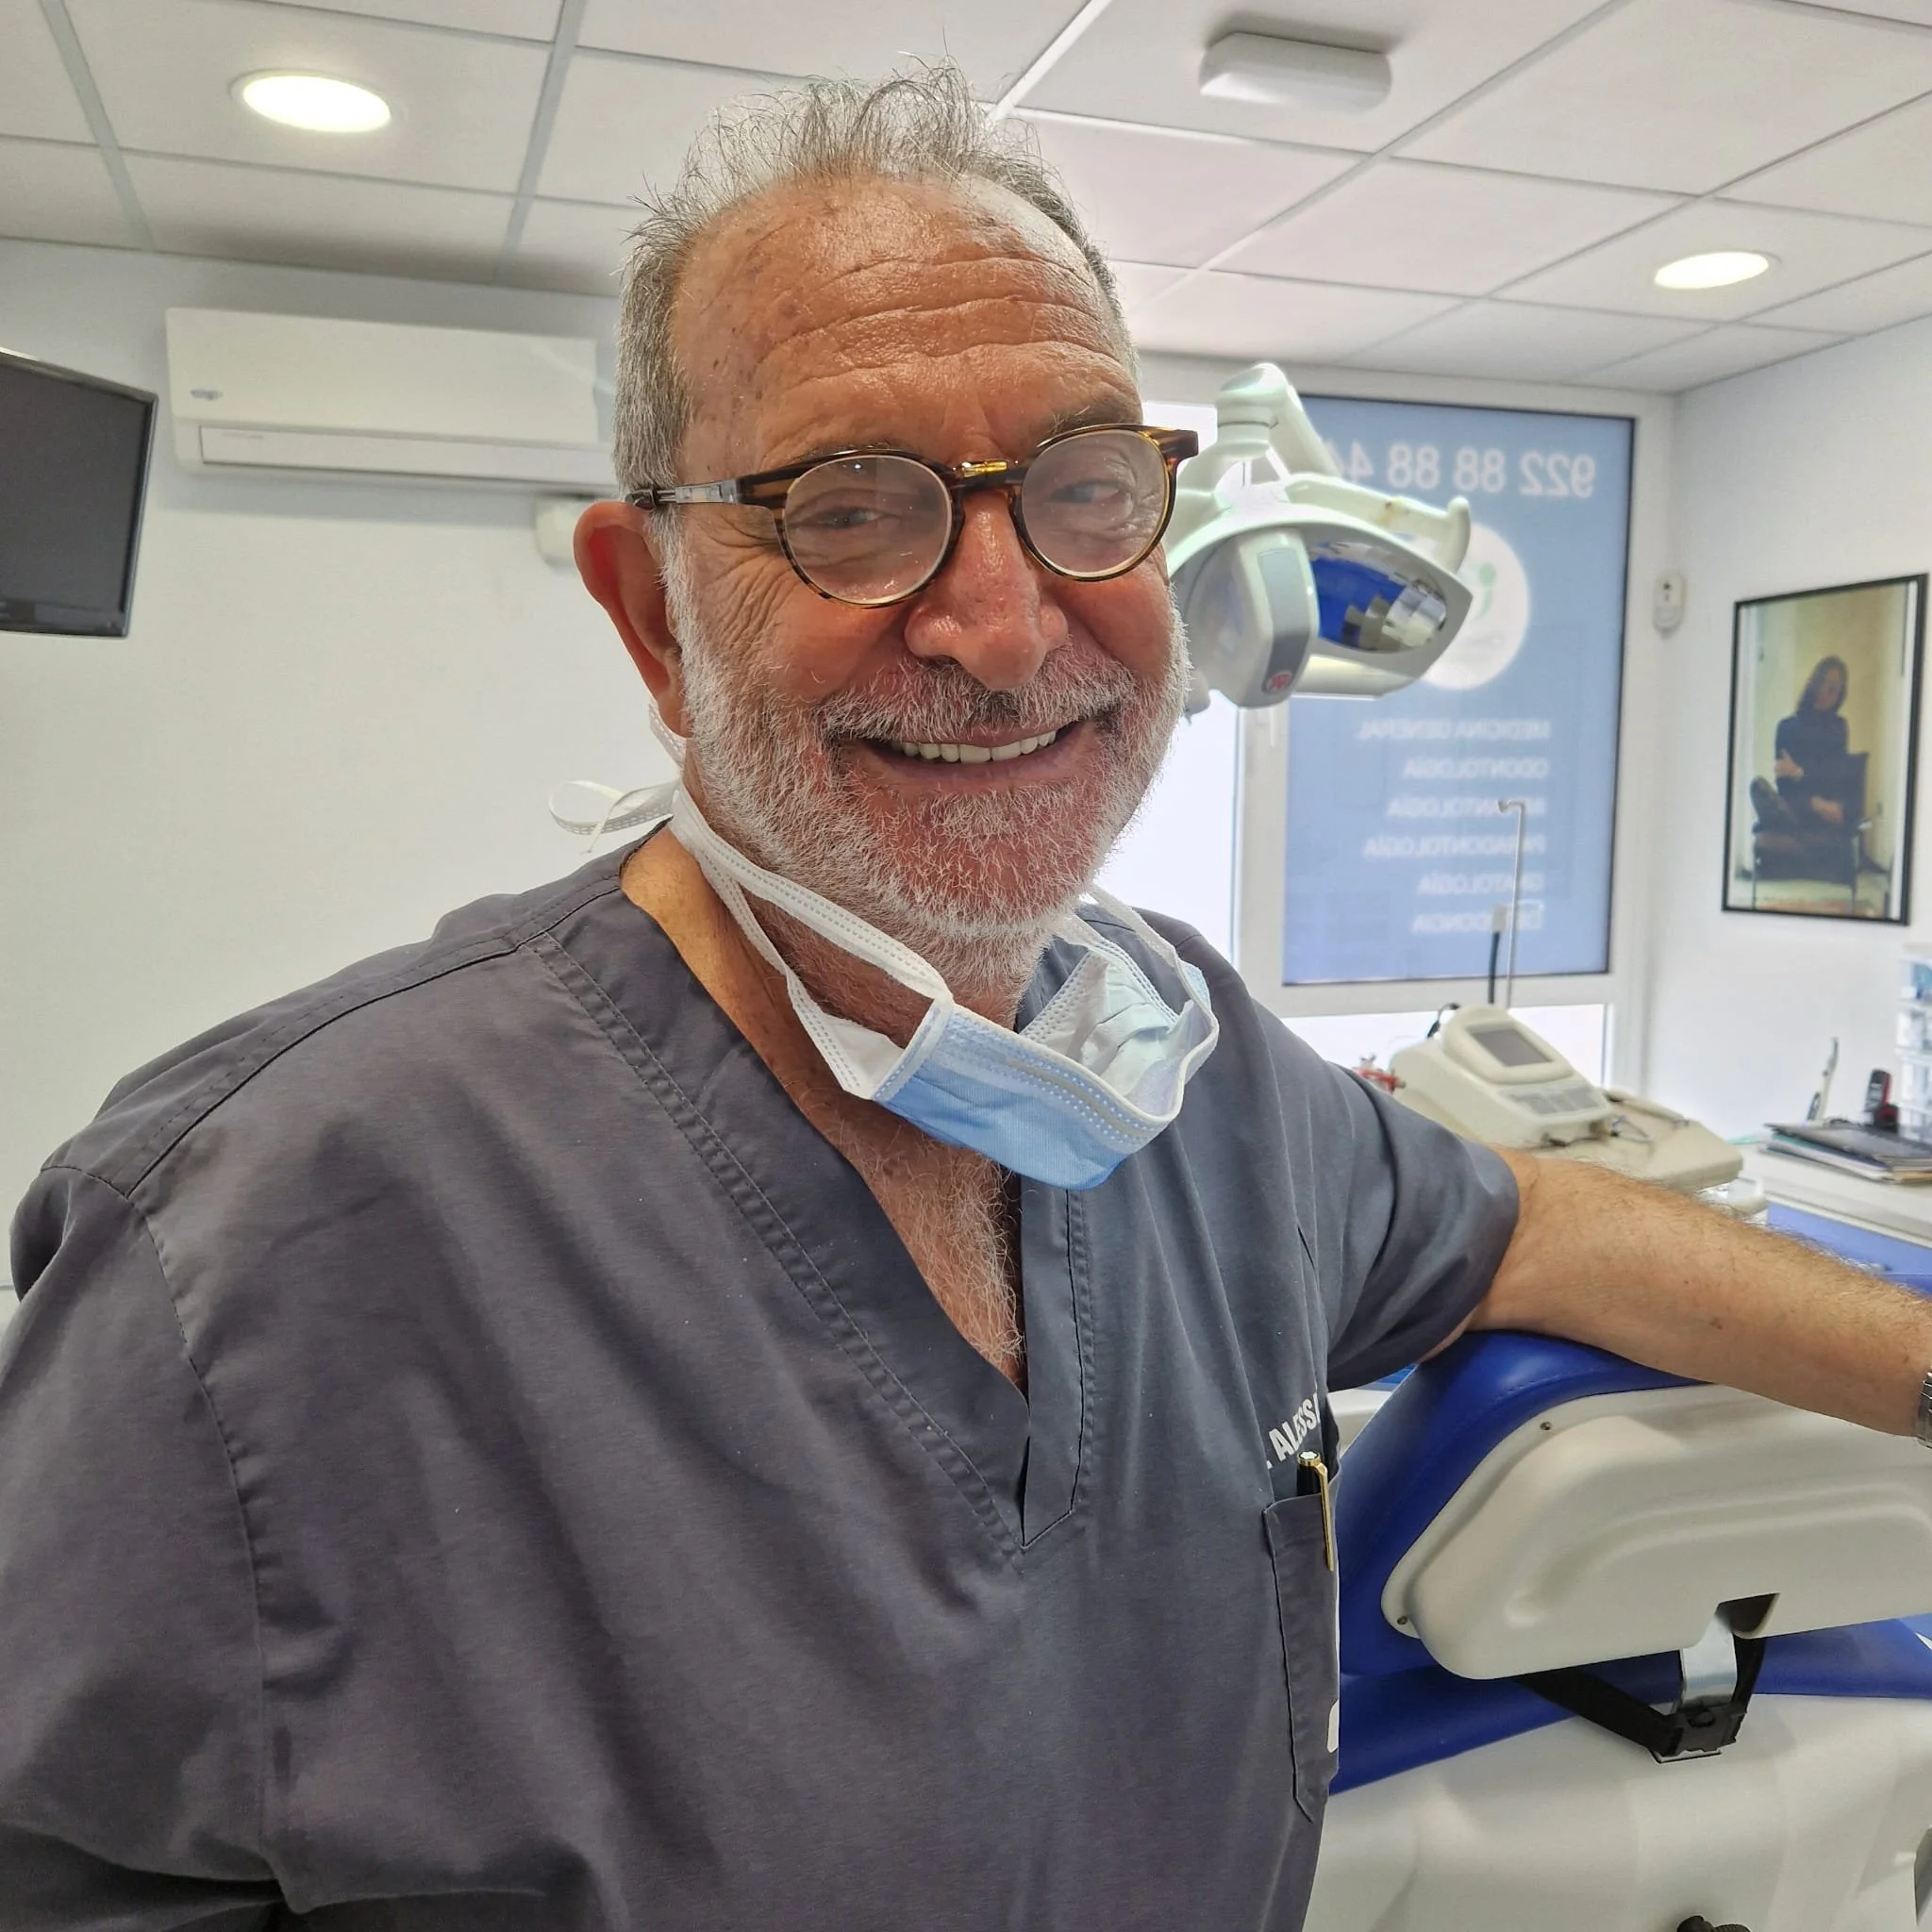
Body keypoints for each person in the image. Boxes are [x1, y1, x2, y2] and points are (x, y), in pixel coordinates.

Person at [3, 66, 1929, 1932]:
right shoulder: (260, 1236)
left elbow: (1527, 1223)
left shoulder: (1201, 1085)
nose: (1006, 629)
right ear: (645, 608)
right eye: (848, 506)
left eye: (1087, 489)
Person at [1751, 653, 1857, 838]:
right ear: (1814, 683)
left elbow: (1834, 779)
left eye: (1834, 689)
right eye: (1823, 684)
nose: (1826, 692)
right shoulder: (1786, 727)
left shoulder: (1838, 728)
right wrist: (1814, 802)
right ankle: (1782, 821)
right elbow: (1784, 785)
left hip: (1828, 809)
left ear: (1840, 694)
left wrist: (1799, 773)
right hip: (1797, 804)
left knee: (1838, 810)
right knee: (1759, 787)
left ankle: (1775, 822)